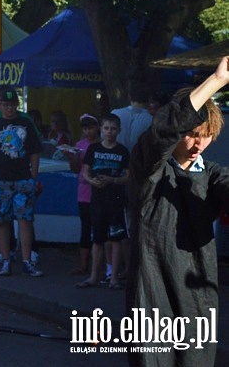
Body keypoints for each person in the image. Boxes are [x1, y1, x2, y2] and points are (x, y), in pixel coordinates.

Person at [126, 57, 229, 365]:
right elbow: (161, 133)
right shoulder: (148, 168)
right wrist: (216, 81)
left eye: (207, 134)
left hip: (197, 296)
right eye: (192, 133)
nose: (199, 142)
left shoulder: (212, 174)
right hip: (151, 294)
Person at [0, 86, 43, 277]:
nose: (9, 108)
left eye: (12, 104)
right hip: (0, 179)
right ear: (0, 105)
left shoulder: (26, 122)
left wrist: (33, 176)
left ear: (17, 104)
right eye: (6, 105)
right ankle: (6, 260)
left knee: (25, 220)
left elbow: (35, 151)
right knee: (2, 220)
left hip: (23, 178)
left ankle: (26, 260)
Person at [75, 113, 129, 290]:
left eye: (113, 129)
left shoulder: (122, 151)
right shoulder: (93, 149)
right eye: (106, 128)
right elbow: (85, 171)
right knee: (97, 239)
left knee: (116, 238)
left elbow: (127, 176)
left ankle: (113, 277)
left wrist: (112, 180)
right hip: (97, 199)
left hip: (115, 200)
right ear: (102, 129)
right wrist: (92, 181)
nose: (109, 132)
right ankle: (93, 276)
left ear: (118, 130)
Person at [65, 113, 100, 275]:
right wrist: (72, 158)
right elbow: (75, 169)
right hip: (84, 191)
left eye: (90, 128)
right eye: (85, 129)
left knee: (101, 228)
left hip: (100, 190)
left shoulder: (102, 144)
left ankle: (103, 265)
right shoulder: (79, 145)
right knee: (86, 228)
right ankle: (84, 264)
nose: (88, 131)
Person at [112, 81, 153, 151]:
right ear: (149, 99)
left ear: (129, 96)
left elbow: (103, 137)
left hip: (115, 158)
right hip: (139, 159)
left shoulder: (114, 114)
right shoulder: (152, 120)